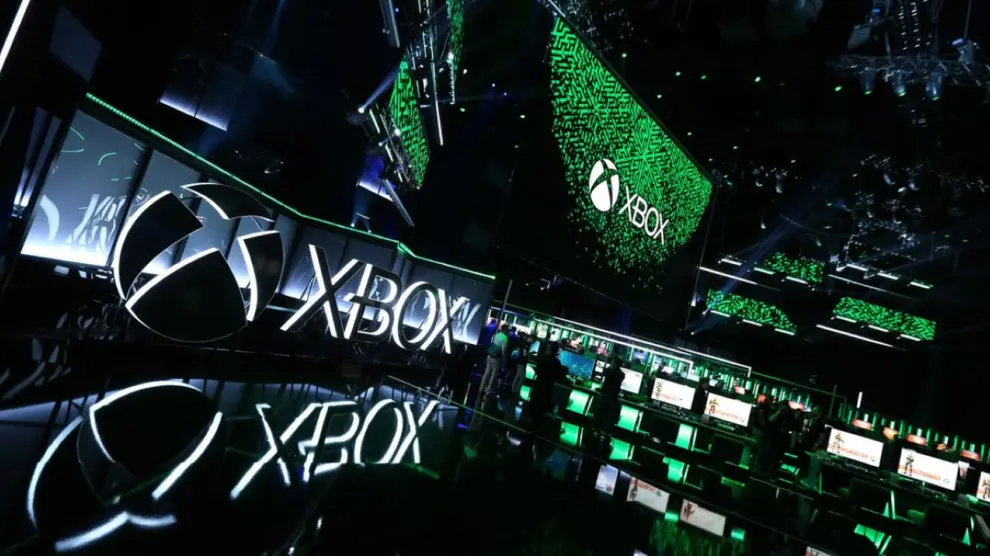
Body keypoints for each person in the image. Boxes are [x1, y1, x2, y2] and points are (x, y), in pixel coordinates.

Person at [479, 323, 510, 405]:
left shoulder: (495, 335)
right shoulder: (505, 338)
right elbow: (503, 350)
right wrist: (504, 359)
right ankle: (488, 390)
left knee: (486, 373)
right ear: (505, 329)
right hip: (496, 357)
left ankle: (481, 388)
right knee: (493, 374)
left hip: (489, 355)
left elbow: (491, 343)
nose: (508, 331)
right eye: (508, 329)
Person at [593, 357, 624, 435]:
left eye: (613, 362)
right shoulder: (622, 374)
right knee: (608, 416)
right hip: (614, 397)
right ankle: (604, 431)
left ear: (614, 363)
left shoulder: (609, 371)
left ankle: (596, 429)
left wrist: (610, 365)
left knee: (600, 413)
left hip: (605, 395)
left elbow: (604, 372)